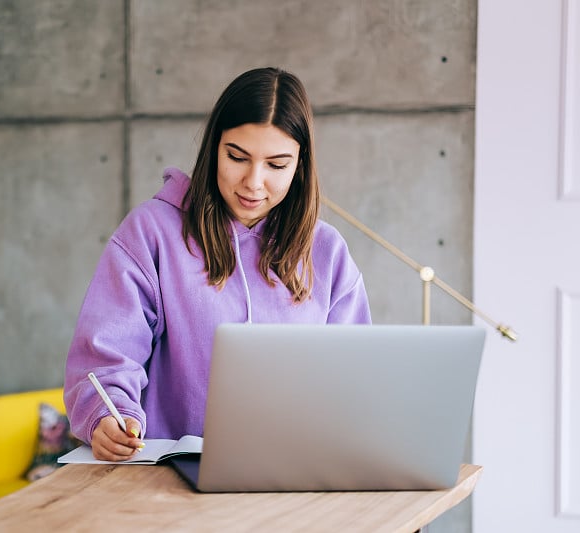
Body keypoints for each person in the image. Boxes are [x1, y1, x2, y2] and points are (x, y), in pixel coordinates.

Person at [64, 67, 371, 461]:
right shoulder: (151, 232)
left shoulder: (327, 251)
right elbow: (105, 355)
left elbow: (352, 379)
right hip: (169, 479)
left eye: (276, 165)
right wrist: (107, 415)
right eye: (237, 157)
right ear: (214, 148)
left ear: (300, 165)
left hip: (291, 475)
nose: (253, 183)